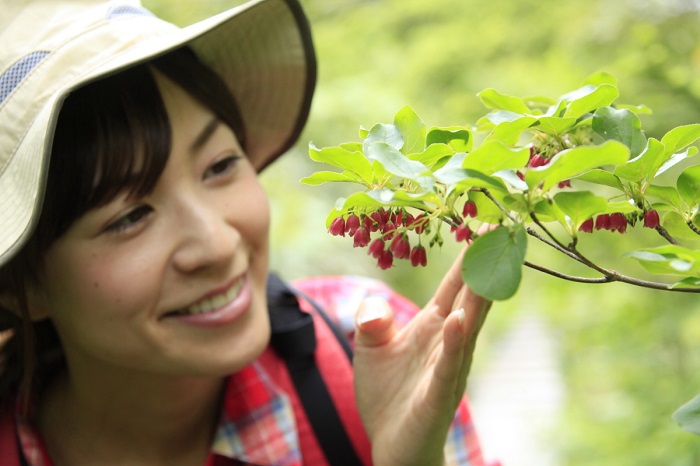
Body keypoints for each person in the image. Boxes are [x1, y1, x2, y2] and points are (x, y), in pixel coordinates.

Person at [0, 0, 492, 465]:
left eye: (219, 165)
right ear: (24, 285)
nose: (217, 245)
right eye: (131, 216)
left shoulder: (368, 352)